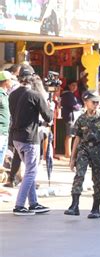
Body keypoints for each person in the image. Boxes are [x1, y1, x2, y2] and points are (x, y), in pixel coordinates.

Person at [9, 65, 52, 215]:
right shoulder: (35, 95)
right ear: (33, 77)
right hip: (29, 138)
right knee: (31, 172)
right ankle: (20, 205)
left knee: (29, 171)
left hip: (16, 138)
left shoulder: (12, 94)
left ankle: (33, 203)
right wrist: (49, 104)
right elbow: (49, 117)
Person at [60, 79, 82, 158]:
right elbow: (74, 106)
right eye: (73, 85)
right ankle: (68, 153)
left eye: (76, 85)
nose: (74, 87)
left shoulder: (70, 94)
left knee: (70, 135)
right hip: (70, 117)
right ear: (69, 86)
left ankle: (68, 153)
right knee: (69, 135)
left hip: (69, 116)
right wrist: (80, 106)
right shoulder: (68, 94)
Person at [0, 71, 12, 168]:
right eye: (10, 80)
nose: (11, 82)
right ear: (5, 81)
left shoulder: (5, 94)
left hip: (4, 131)